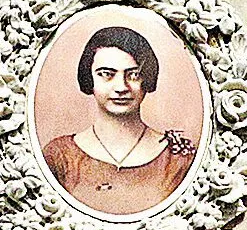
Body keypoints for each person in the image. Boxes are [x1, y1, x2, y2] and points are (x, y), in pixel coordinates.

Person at [43, 24, 196, 214]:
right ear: (89, 79)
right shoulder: (59, 156)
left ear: (147, 79)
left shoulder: (179, 158)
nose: (121, 87)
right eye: (106, 74)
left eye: (133, 75)